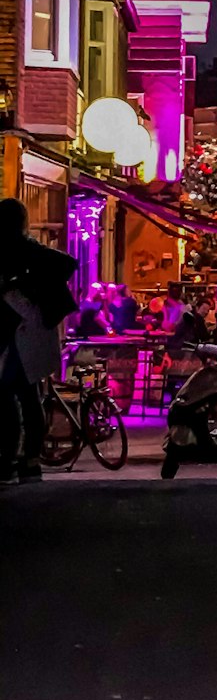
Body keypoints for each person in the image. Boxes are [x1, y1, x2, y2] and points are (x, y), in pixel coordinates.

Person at [0, 198, 77, 485]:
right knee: (23, 395)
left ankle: (14, 456)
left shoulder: (21, 249)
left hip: (21, 334)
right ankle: (25, 457)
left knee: (13, 394)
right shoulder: (25, 248)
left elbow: (66, 263)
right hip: (20, 335)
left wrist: (21, 285)